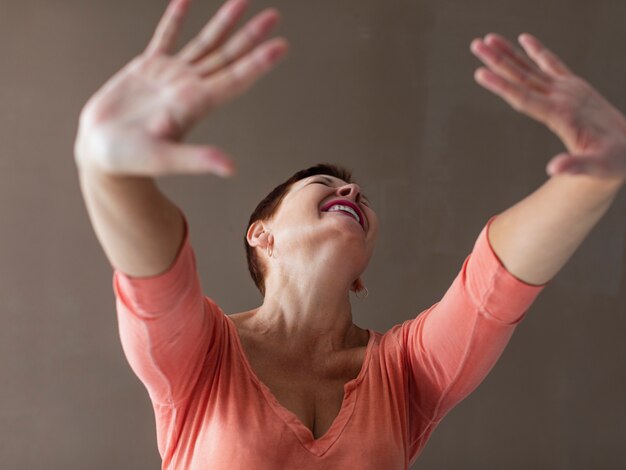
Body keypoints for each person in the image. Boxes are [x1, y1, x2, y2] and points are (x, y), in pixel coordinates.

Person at [73, 0, 626, 468]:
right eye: (325, 183)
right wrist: (108, 173)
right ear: (261, 235)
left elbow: (493, 284)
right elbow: (155, 274)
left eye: (361, 196)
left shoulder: (404, 369)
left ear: (361, 275)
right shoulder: (203, 352)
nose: (352, 194)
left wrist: (596, 180)